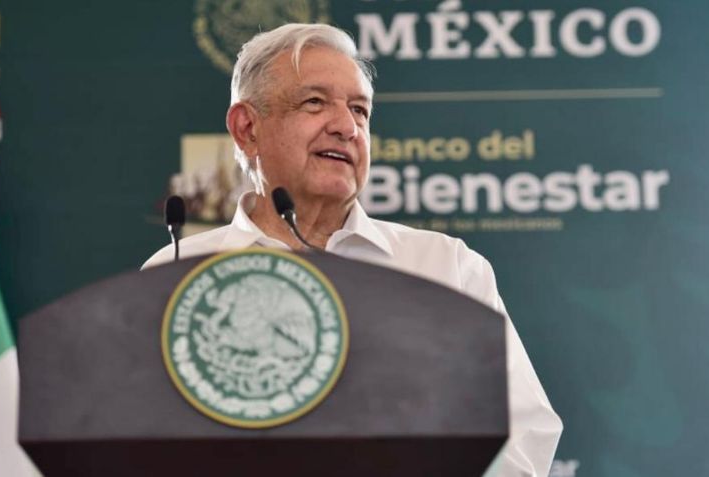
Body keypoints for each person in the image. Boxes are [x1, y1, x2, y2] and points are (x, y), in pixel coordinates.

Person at [144, 23, 562, 476]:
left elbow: (521, 435)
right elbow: (123, 434)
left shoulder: (447, 267)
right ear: (247, 128)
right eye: (315, 102)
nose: (346, 127)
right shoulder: (176, 272)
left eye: (360, 111)